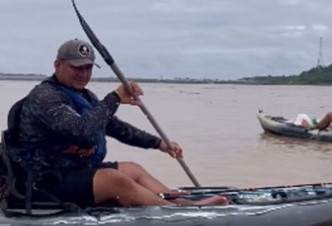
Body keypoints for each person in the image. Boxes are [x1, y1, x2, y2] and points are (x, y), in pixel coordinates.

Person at [8, 39, 228, 208]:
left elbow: (114, 127)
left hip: (75, 170)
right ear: (58, 65)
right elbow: (81, 131)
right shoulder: (45, 97)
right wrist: (114, 98)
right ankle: (174, 213)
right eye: (76, 67)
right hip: (44, 181)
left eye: (87, 68)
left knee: (133, 169)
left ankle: (180, 203)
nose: (83, 74)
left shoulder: (83, 96)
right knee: (116, 180)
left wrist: (160, 144)